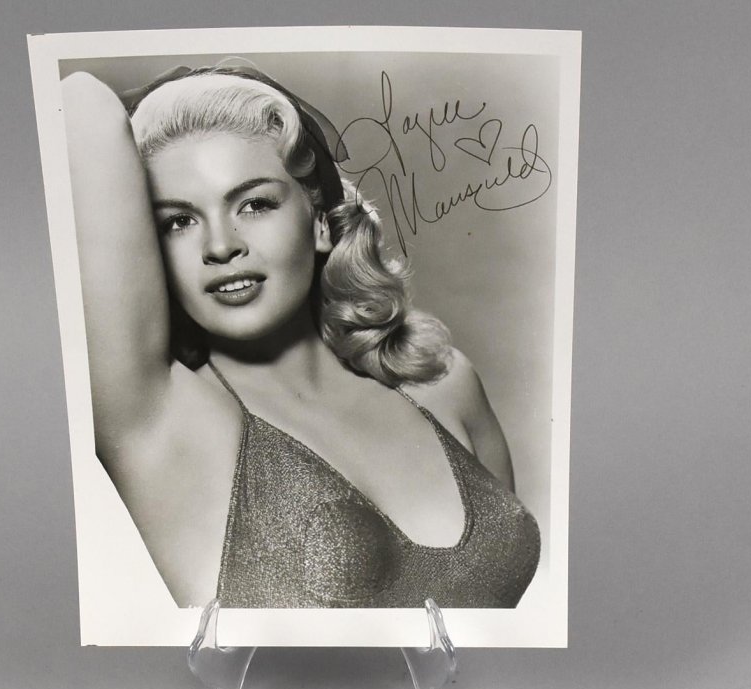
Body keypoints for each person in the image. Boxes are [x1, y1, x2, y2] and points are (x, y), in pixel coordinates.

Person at [61, 63, 540, 609]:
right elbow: (79, 105)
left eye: (255, 204)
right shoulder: (162, 417)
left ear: (319, 222)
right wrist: (175, 103)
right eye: (178, 221)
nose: (221, 246)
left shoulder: (445, 383)